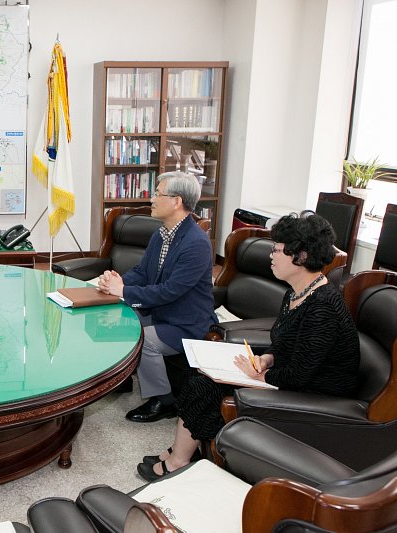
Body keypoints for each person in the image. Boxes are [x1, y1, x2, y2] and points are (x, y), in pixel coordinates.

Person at [137, 212, 360, 482]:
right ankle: (184, 452)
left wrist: (258, 376)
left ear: (301, 257)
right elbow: (288, 346)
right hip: (292, 376)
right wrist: (266, 358)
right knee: (201, 375)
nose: (271, 255)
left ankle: (178, 461)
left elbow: (301, 374)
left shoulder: (323, 307)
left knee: (204, 385)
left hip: (315, 393)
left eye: (277, 250)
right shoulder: (296, 292)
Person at [97, 171, 216, 422]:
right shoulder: (160, 234)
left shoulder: (196, 243)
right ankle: (121, 378)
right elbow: (142, 272)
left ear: (177, 201)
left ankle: (164, 400)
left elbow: (170, 291)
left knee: (144, 339)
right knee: (116, 318)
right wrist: (117, 282)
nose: (151, 199)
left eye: (158, 194)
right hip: (162, 312)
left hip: (186, 322)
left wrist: (124, 292)